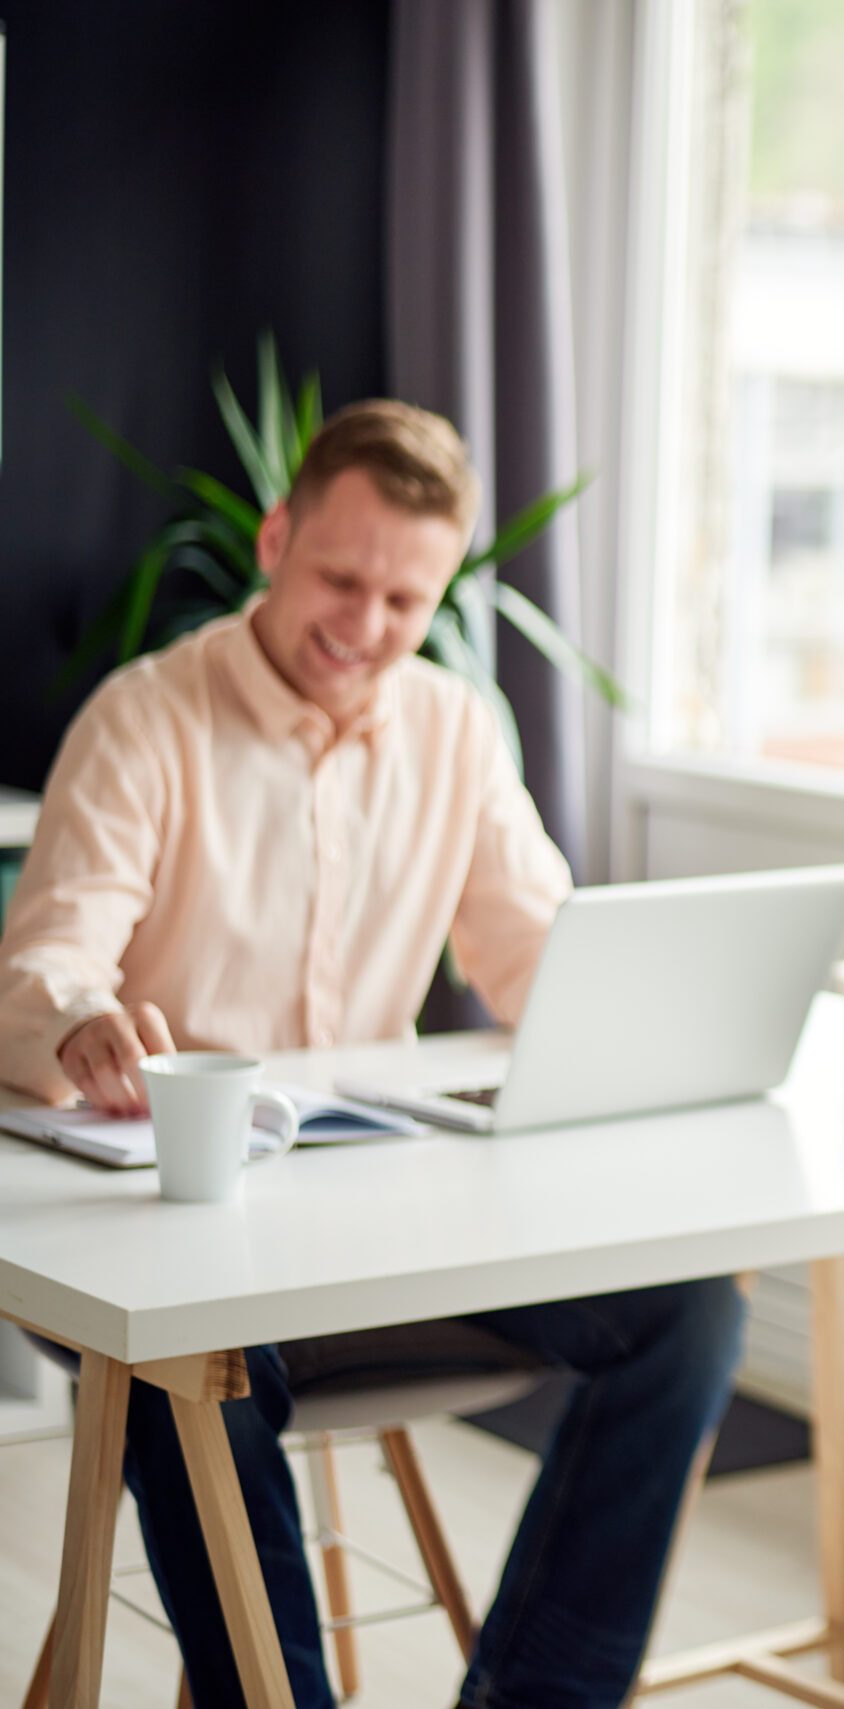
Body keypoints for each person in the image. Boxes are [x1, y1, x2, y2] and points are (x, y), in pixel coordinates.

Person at [0, 402, 745, 1709]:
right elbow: (44, 959)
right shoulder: (144, 718)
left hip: (380, 1231)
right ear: (276, 539)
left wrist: (680, 1018)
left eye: (407, 598)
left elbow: (545, 969)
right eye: (341, 578)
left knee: (692, 1311)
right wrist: (80, 1020)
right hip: (181, 1250)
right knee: (197, 1378)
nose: (366, 624)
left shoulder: (456, 730)